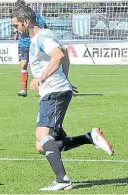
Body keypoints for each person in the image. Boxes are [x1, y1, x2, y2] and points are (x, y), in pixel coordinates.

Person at [12, 6, 114, 191]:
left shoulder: (42, 37)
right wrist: (65, 78)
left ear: (26, 22)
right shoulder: (41, 36)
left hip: (54, 92)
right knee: (42, 145)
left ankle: (62, 180)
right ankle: (89, 137)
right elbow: (64, 52)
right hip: (55, 91)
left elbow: (59, 55)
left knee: (42, 136)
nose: (16, 30)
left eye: (16, 25)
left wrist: (42, 77)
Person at [13, 0, 48, 97]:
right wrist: (16, 32)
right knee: (23, 64)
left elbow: (43, 25)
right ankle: (23, 89)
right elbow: (16, 27)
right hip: (23, 43)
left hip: (35, 42)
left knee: (39, 64)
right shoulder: (16, 17)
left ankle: (43, 85)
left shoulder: (33, 15)